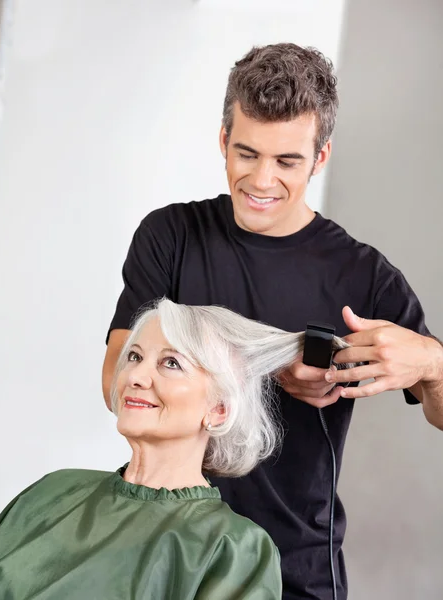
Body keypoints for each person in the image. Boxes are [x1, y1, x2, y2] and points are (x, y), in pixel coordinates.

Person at [102, 44, 443, 600]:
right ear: (222, 142)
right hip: (162, 549)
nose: (261, 181)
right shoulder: (171, 237)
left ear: (321, 155)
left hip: (292, 569)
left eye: (287, 162)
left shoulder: (362, 276)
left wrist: (430, 365)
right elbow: (116, 382)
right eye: (246, 154)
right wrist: (262, 362)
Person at [0, 298, 352, 599]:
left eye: (171, 363)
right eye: (135, 357)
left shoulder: (233, 549)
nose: (136, 377)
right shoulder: (51, 493)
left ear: (218, 409)